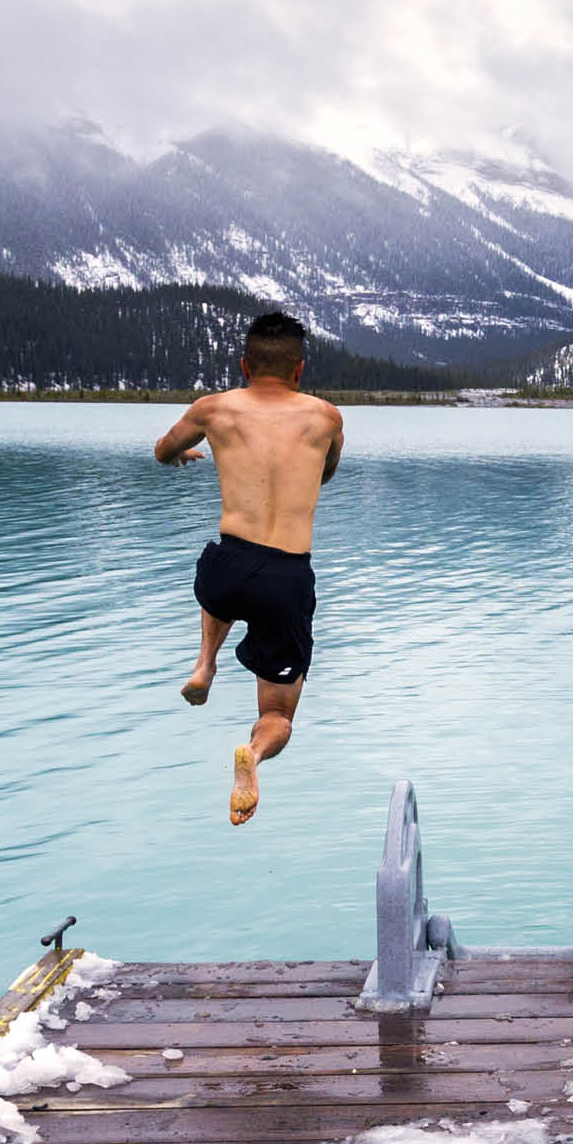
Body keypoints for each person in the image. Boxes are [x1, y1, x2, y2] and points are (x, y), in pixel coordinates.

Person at [153, 312, 345, 826]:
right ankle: (252, 756)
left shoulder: (213, 409)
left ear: (243, 365)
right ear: (300, 370)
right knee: (277, 714)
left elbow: (162, 451)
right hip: (286, 576)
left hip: (230, 565)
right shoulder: (327, 418)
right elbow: (325, 473)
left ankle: (204, 664)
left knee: (219, 577)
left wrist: (188, 453)